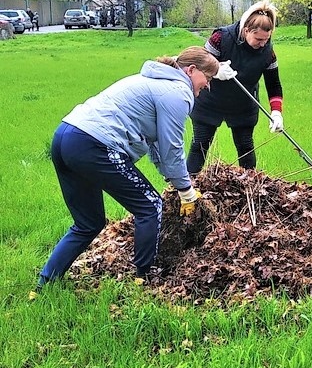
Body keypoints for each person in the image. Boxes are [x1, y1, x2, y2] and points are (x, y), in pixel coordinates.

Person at [36, 46, 226, 291]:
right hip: (94, 144)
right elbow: (172, 148)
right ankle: (143, 280)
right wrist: (186, 189)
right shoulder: (178, 92)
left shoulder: (152, 81)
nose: (208, 85)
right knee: (150, 206)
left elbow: (158, 145)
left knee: (88, 223)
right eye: (207, 78)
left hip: (66, 136)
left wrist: (175, 181)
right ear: (191, 70)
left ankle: (45, 284)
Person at [187, 0, 285, 173]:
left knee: (246, 148)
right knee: (199, 145)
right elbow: (199, 64)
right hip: (210, 101)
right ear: (246, 30)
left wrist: (276, 112)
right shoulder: (221, 38)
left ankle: (251, 190)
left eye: (266, 40)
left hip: (243, 104)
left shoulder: (268, 52)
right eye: (258, 39)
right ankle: (185, 190)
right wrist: (216, 71)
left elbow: (274, 84)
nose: (262, 44)